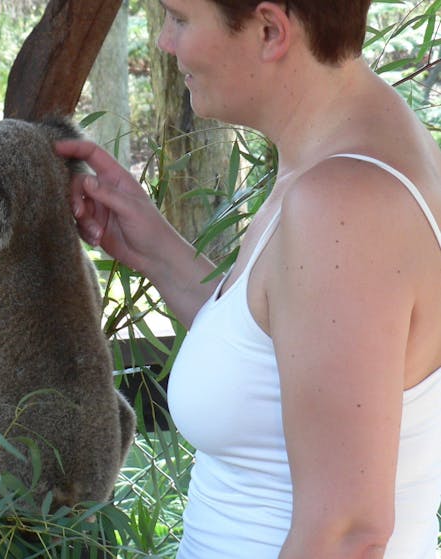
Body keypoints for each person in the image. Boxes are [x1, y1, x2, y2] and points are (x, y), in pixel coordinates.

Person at [55, 1, 441, 557]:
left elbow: (349, 533)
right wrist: (158, 252)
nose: (164, 42)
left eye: (180, 18)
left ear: (269, 30)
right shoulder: (341, 153)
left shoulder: (344, 205)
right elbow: (274, 352)